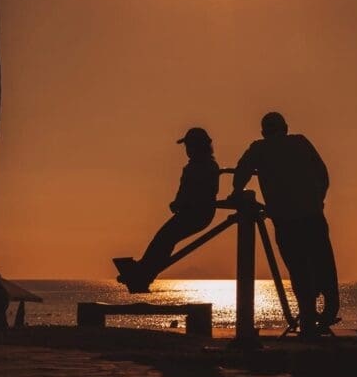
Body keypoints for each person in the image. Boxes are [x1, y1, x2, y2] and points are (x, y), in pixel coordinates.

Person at [232, 112, 337, 338]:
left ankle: (308, 320)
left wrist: (237, 192)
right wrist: (318, 200)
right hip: (312, 216)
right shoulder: (300, 143)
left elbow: (241, 172)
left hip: (286, 220)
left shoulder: (259, 149)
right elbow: (323, 174)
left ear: (263, 132)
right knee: (323, 264)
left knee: (298, 269)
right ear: (286, 127)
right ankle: (327, 312)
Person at [118, 127, 220, 293]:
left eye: (190, 146)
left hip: (197, 214)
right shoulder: (197, 167)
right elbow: (186, 191)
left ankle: (145, 271)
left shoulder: (205, 167)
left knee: (165, 237)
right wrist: (178, 202)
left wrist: (182, 203)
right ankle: (146, 270)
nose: (187, 150)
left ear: (198, 147)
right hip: (191, 213)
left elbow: (202, 193)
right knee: (164, 238)